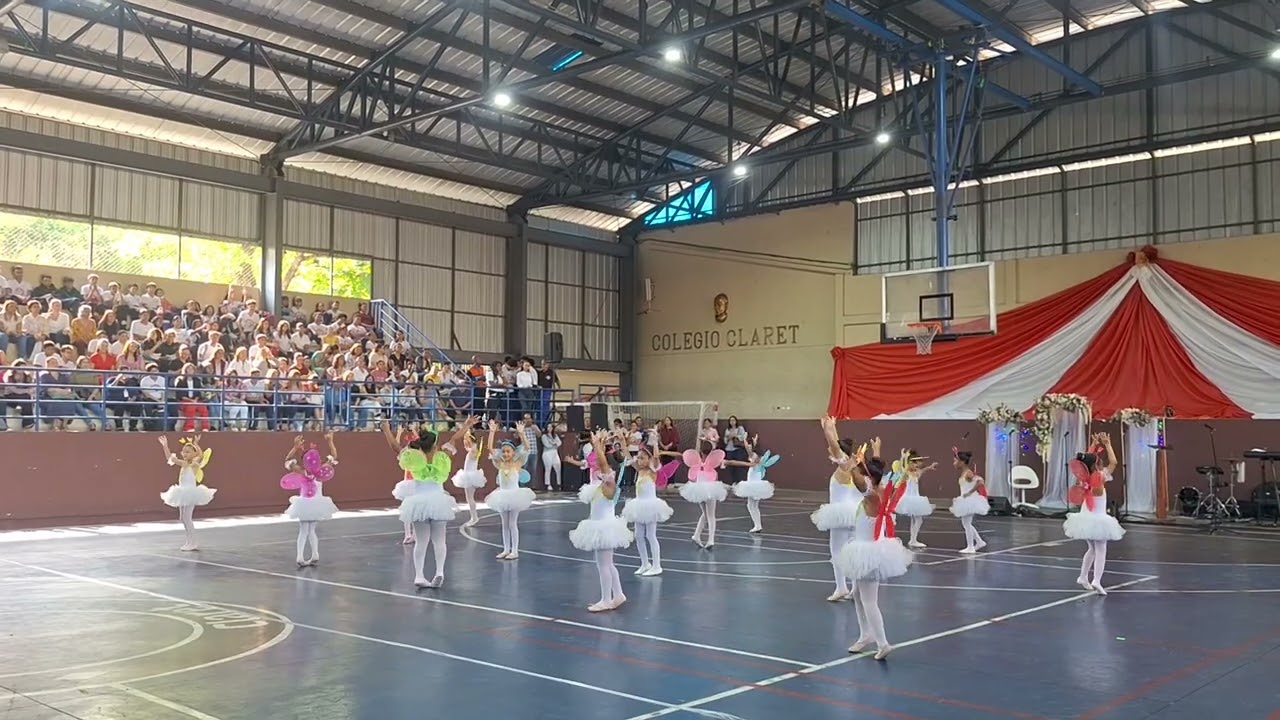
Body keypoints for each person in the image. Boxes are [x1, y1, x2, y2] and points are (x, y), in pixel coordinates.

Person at [837, 461, 914, 661]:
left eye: (864, 476)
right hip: (871, 550)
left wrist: (850, 465)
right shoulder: (880, 489)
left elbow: (859, 482)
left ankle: (882, 642)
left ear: (869, 478)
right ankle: (865, 635)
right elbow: (870, 476)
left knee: (869, 601)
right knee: (857, 594)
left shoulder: (871, 496)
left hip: (868, 553)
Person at [399, 417, 475, 589]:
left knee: (421, 541)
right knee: (439, 540)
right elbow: (453, 439)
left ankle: (419, 575)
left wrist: (389, 430)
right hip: (438, 500)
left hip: (418, 502)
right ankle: (439, 572)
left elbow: (396, 449)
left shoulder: (414, 458)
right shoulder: (442, 456)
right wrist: (466, 425)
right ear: (434, 445)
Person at [569, 430, 635, 611]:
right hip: (602, 526)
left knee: (603, 566)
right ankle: (618, 594)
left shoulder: (609, 484)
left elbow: (603, 464)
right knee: (607, 564)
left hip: (605, 528)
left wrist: (597, 445)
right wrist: (599, 446)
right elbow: (600, 464)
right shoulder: (601, 484)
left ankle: (606, 599)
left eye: (600, 466)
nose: (597, 467)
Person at [813, 417, 876, 602]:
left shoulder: (843, 466)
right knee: (852, 550)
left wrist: (827, 430)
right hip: (855, 514)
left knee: (837, 551)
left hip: (840, 516)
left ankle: (841, 587)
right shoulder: (853, 464)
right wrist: (834, 430)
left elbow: (834, 446)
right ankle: (855, 587)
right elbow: (838, 448)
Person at [1064, 432, 1124, 594]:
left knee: (1091, 549)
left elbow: (1085, 462)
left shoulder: (1083, 477)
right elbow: (1114, 462)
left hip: (1085, 517)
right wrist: (1107, 444)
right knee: (1101, 549)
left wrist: (1093, 446)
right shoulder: (1100, 476)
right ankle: (1096, 580)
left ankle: (1083, 577)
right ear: (1096, 463)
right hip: (1097, 519)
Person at [280, 433, 340, 568]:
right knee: (311, 530)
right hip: (317, 504)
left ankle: (300, 556)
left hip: (304, 504)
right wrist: (330, 441)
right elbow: (334, 457)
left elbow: (287, 460)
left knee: (303, 530)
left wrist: (295, 448)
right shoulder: (321, 472)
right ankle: (315, 554)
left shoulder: (302, 471)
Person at [621, 441, 677, 577]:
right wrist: (622, 440)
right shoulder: (639, 470)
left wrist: (655, 440)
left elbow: (656, 458)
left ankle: (657, 565)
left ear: (649, 459)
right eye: (638, 457)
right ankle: (645, 563)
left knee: (650, 535)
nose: (639, 460)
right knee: (638, 536)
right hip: (639, 505)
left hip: (651, 506)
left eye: (642, 458)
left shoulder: (653, 470)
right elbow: (628, 456)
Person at [485, 419, 536, 559]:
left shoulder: (517, 463)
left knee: (512, 523)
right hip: (502, 495)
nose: (505, 454)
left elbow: (526, 448)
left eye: (508, 451)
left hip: (514, 496)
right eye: (504, 452)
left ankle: (515, 550)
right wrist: (492, 432)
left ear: (513, 452)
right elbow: (489, 448)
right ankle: (506, 549)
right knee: (504, 524)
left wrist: (522, 433)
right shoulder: (500, 463)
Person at [158, 434, 215, 551]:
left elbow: (200, 454)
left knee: (187, 518)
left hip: (189, 493)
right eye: (183, 452)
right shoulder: (184, 464)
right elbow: (170, 458)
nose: (184, 454)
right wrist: (165, 446)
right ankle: (189, 541)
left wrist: (196, 444)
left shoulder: (192, 464)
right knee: (182, 518)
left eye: (188, 452)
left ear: (193, 454)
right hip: (182, 491)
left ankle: (193, 542)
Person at [675, 444, 729, 549]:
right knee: (711, 515)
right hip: (709, 491)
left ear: (701, 453)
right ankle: (711, 539)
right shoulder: (711, 465)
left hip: (698, 490)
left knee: (705, 514)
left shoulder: (697, 464)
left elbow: (692, 478)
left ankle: (696, 535)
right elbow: (715, 477)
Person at [729, 435, 778, 533]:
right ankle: (757, 525)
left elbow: (748, 450)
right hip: (758, 485)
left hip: (752, 485)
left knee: (751, 505)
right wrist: (754, 442)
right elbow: (751, 449)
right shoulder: (759, 458)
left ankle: (757, 525)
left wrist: (744, 439)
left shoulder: (753, 456)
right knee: (754, 506)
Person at [384, 421, 420, 544]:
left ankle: (411, 534)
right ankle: (409, 534)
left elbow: (395, 446)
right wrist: (400, 433)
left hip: (413, 483)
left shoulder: (414, 454)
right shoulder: (409, 453)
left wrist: (410, 431)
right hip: (409, 483)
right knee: (409, 509)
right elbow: (397, 446)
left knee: (411, 509)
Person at [894, 450, 937, 549]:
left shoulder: (916, 473)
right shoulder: (905, 474)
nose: (917, 466)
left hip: (916, 499)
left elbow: (923, 470)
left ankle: (913, 539)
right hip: (909, 499)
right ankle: (913, 540)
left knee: (916, 519)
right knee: (918, 519)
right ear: (909, 463)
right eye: (914, 463)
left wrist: (930, 467)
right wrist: (903, 456)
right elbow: (902, 467)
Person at [951, 449, 989, 554]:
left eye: (955, 461)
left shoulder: (968, 473)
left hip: (969, 500)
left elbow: (980, 481)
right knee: (966, 523)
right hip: (965, 500)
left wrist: (970, 492)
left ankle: (971, 546)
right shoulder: (964, 473)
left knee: (966, 524)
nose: (954, 463)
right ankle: (979, 542)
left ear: (962, 462)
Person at [449, 425, 487, 527]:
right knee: (470, 498)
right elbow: (468, 447)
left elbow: (470, 448)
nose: (465, 441)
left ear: (471, 440)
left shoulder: (473, 450)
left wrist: (466, 432)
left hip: (470, 476)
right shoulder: (474, 449)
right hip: (471, 475)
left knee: (470, 498)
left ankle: (474, 517)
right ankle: (473, 517)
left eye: (467, 439)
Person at [540, 424, 563, 491]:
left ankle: (558, 483)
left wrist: (554, 444)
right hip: (547, 453)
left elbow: (559, 443)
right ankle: (548, 484)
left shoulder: (555, 435)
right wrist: (555, 444)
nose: (549, 428)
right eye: (548, 427)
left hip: (555, 453)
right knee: (548, 469)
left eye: (551, 427)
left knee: (558, 467)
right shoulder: (544, 436)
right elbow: (547, 445)